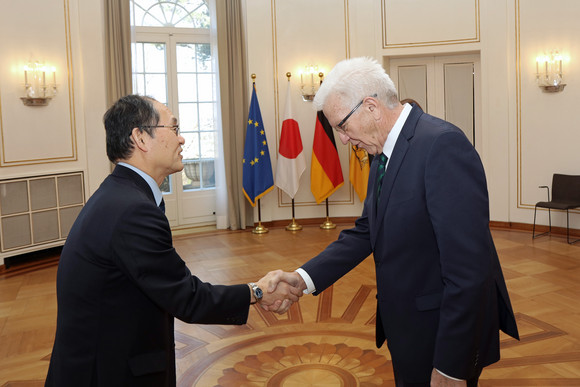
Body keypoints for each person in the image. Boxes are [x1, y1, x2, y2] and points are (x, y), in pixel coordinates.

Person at [266, 57, 519, 386]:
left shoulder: (441, 145)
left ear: (370, 107)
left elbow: (469, 270)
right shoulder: (382, 153)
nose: (342, 139)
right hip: (407, 329)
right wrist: (302, 279)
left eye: (341, 126)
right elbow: (367, 231)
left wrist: (451, 366)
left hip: (442, 334)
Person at [45, 95, 301, 387]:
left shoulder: (120, 195)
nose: (181, 140)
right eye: (174, 128)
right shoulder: (132, 210)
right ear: (140, 137)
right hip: (107, 374)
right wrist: (256, 292)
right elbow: (187, 297)